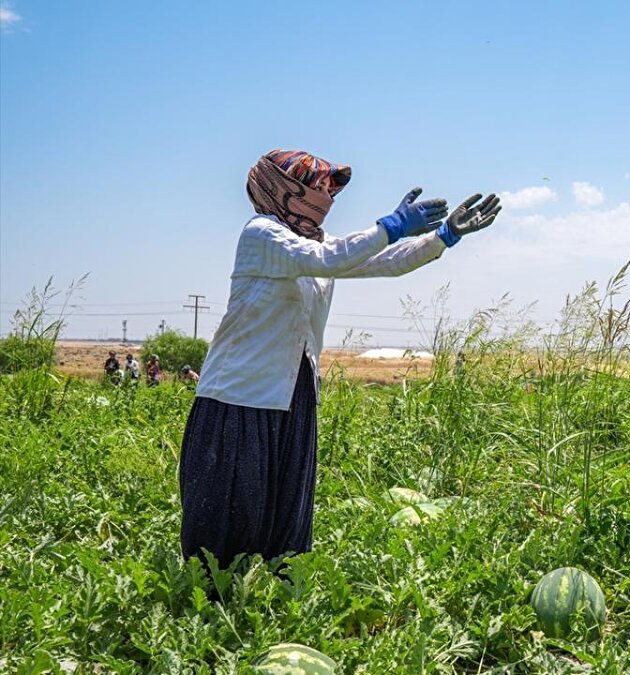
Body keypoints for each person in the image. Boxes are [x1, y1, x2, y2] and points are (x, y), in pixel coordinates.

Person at [178, 149, 502, 570]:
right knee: (231, 510)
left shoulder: (316, 243)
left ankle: (278, 595)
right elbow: (328, 260)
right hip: (240, 393)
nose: (326, 198)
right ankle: (209, 603)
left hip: (292, 390)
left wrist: (444, 237)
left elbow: (384, 262)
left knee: (284, 506)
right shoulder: (261, 234)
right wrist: (393, 225)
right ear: (280, 189)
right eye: (315, 188)